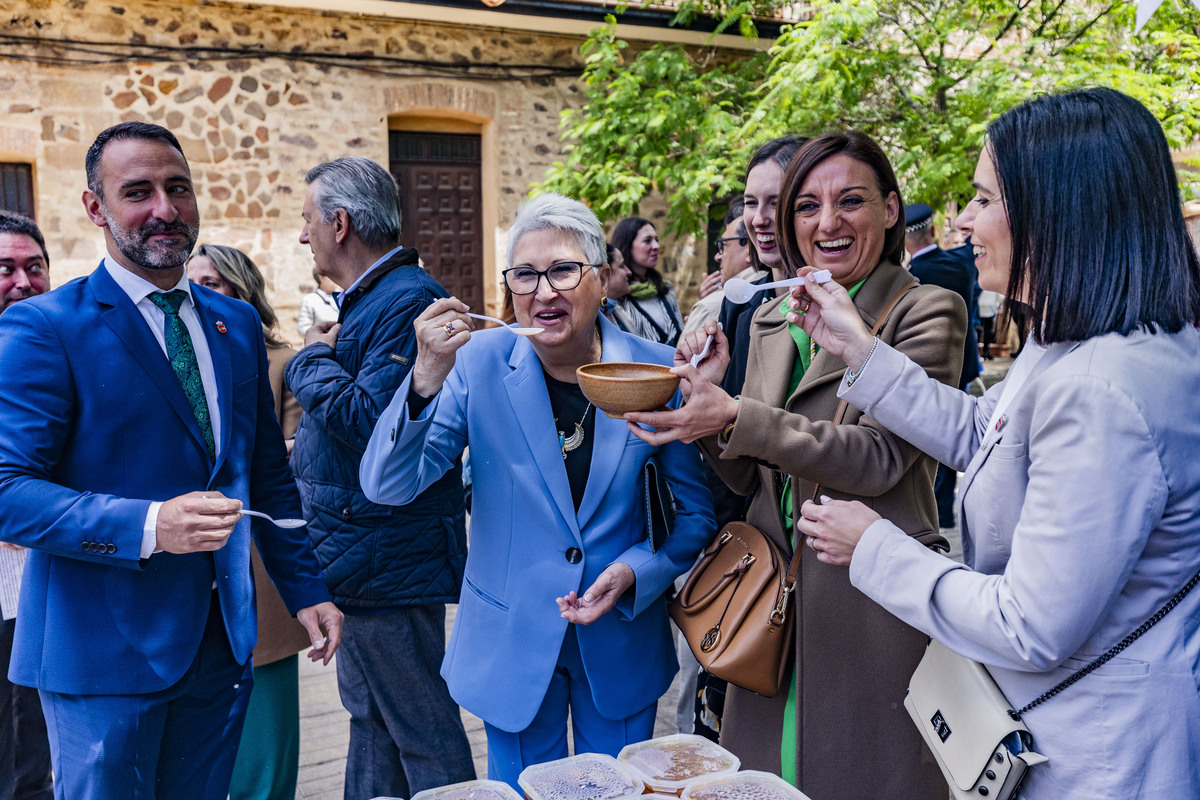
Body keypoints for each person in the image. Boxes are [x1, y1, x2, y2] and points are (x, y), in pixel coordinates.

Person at [795, 88, 1200, 800]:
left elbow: (1029, 625)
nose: (962, 221)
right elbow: (995, 438)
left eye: (983, 200)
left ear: (1057, 213)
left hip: (1097, 755)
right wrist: (864, 352)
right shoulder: (1075, 343)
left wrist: (877, 550)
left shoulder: (1103, 389)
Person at [0, 122, 341, 800]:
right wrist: (151, 525)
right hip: (101, 656)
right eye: (138, 192)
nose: (164, 209)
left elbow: (267, 475)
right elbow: (8, 491)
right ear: (96, 208)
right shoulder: (45, 328)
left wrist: (307, 590)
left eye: (177, 188)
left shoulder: (234, 323)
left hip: (222, 643)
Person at [625, 131, 966, 799]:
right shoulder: (777, 315)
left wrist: (733, 417)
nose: (827, 222)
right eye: (807, 206)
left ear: (892, 209)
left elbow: (879, 461)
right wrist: (707, 417)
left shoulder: (924, 311)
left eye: (851, 201)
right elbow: (754, 479)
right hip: (768, 607)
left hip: (869, 607)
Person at [359, 193, 716, 791]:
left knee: (621, 791)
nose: (544, 290)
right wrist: (422, 378)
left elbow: (693, 517)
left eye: (563, 270)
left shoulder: (658, 373)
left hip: (620, 632)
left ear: (602, 280)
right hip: (512, 641)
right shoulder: (476, 364)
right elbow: (389, 485)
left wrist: (634, 571)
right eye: (525, 274)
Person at [284, 157, 474, 800]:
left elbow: (369, 420)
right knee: (374, 722)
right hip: (362, 561)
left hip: (386, 561)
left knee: (421, 727)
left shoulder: (405, 301)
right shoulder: (375, 299)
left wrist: (308, 356)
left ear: (339, 223)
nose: (302, 235)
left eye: (308, 220)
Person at [186, 243, 307, 800]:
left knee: (266, 725)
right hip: (186, 552)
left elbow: (292, 448)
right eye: (195, 282)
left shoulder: (281, 359)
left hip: (257, 548)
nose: (201, 293)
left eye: (215, 283)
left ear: (243, 292)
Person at [0, 210, 53, 800]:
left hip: (30, 587)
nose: (22, 281)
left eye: (34, 267)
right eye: (5, 269)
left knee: (29, 750)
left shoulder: (57, 349)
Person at [904, 202, 980, 528]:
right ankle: (946, 509)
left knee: (933, 437)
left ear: (905, 243)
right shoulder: (962, 262)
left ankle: (937, 509)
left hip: (925, 368)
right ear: (933, 231)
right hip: (962, 363)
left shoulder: (911, 279)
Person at [718, 136, 808, 398]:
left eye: (775, 203)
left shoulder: (835, 306)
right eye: (751, 203)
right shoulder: (738, 303)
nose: (758, 219)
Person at [683, 201, 760, 336]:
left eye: (724, 246)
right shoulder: (786, 293)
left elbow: (680, 357)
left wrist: (706, 307)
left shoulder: (711, 306)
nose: (718, 256)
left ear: (750, 250)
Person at [611, 216, 683, 345]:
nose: (656, 246)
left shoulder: (665, 288)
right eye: (647, 241)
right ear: (627, 246)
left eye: (656, 240)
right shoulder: (615, 298)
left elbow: (681, 335)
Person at [296, 269, 340, 336]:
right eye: (332, 275)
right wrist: (323, 334)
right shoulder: (310, 300)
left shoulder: (344, 297)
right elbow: (302, 328)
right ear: (321, 277)